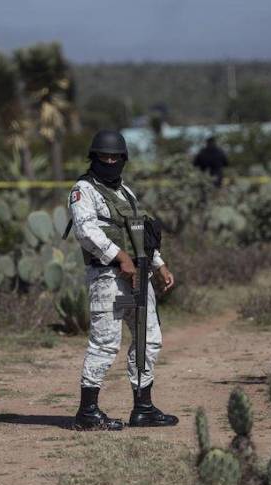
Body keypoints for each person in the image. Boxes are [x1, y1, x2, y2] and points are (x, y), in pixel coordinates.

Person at [66, 129, 179, 431]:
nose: (110, 160)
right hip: (108, 278)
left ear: (124, 159)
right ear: (94, 158)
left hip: (138, 278)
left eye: (116, 156)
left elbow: (137, 232)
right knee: (105, 344)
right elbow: (86, 231)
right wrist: (121, 258)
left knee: (147, 340)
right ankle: (87, 412)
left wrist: (159, 264)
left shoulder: (125, 192)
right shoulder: (83, 190)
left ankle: (143, 408)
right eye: (104, 156)